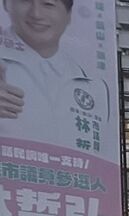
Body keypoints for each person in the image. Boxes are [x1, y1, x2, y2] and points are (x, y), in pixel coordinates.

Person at [0, 0, 115, 155]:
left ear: (68, 15)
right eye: (25, 1)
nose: (36, 14)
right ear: (6, 4)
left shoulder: (94, 86)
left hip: (67, 176)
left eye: (48, 4)